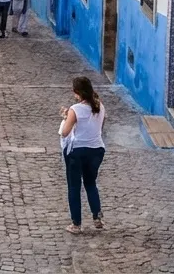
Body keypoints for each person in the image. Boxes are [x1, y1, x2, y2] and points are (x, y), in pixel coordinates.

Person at [59, 76, 106, 234]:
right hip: (97, 150)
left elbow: (65, 132)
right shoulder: (100, 107)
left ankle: (76, 224)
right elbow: (98, 127)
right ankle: (97, 216)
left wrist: (66, 118)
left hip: (78, 151)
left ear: (77, 92)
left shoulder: (75, 109)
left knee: (74, 187)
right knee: (90, 182)